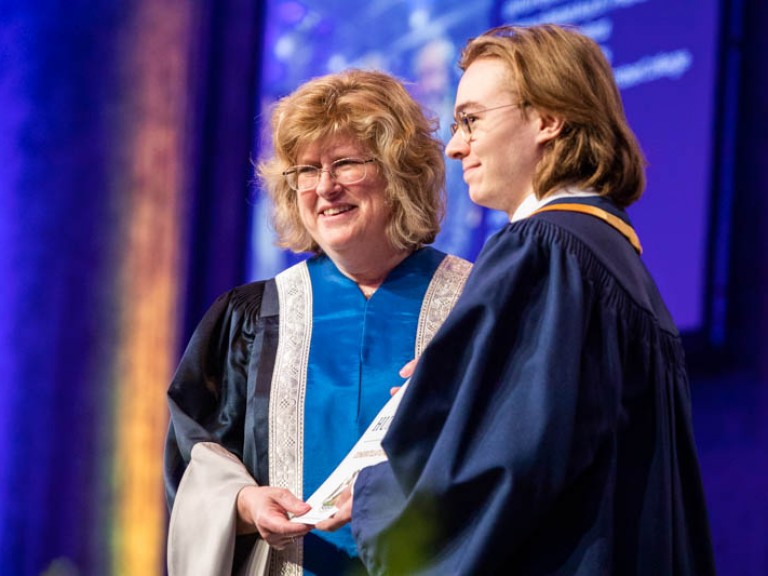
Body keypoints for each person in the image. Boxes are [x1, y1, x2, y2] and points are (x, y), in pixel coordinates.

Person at [344, 24, 716, 575]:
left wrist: (378, 494)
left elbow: (501, 466)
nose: (454, 145)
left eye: (471, 119)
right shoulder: (617, 265)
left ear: (547, 119)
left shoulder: (544, 251)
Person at [163, 69, 471, 575]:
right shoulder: (253, 318)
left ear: (401, 170)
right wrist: (244, 503)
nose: (325, 187)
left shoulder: (475, 304)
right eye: (306, 170)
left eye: (345, 163)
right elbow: (197, 456)